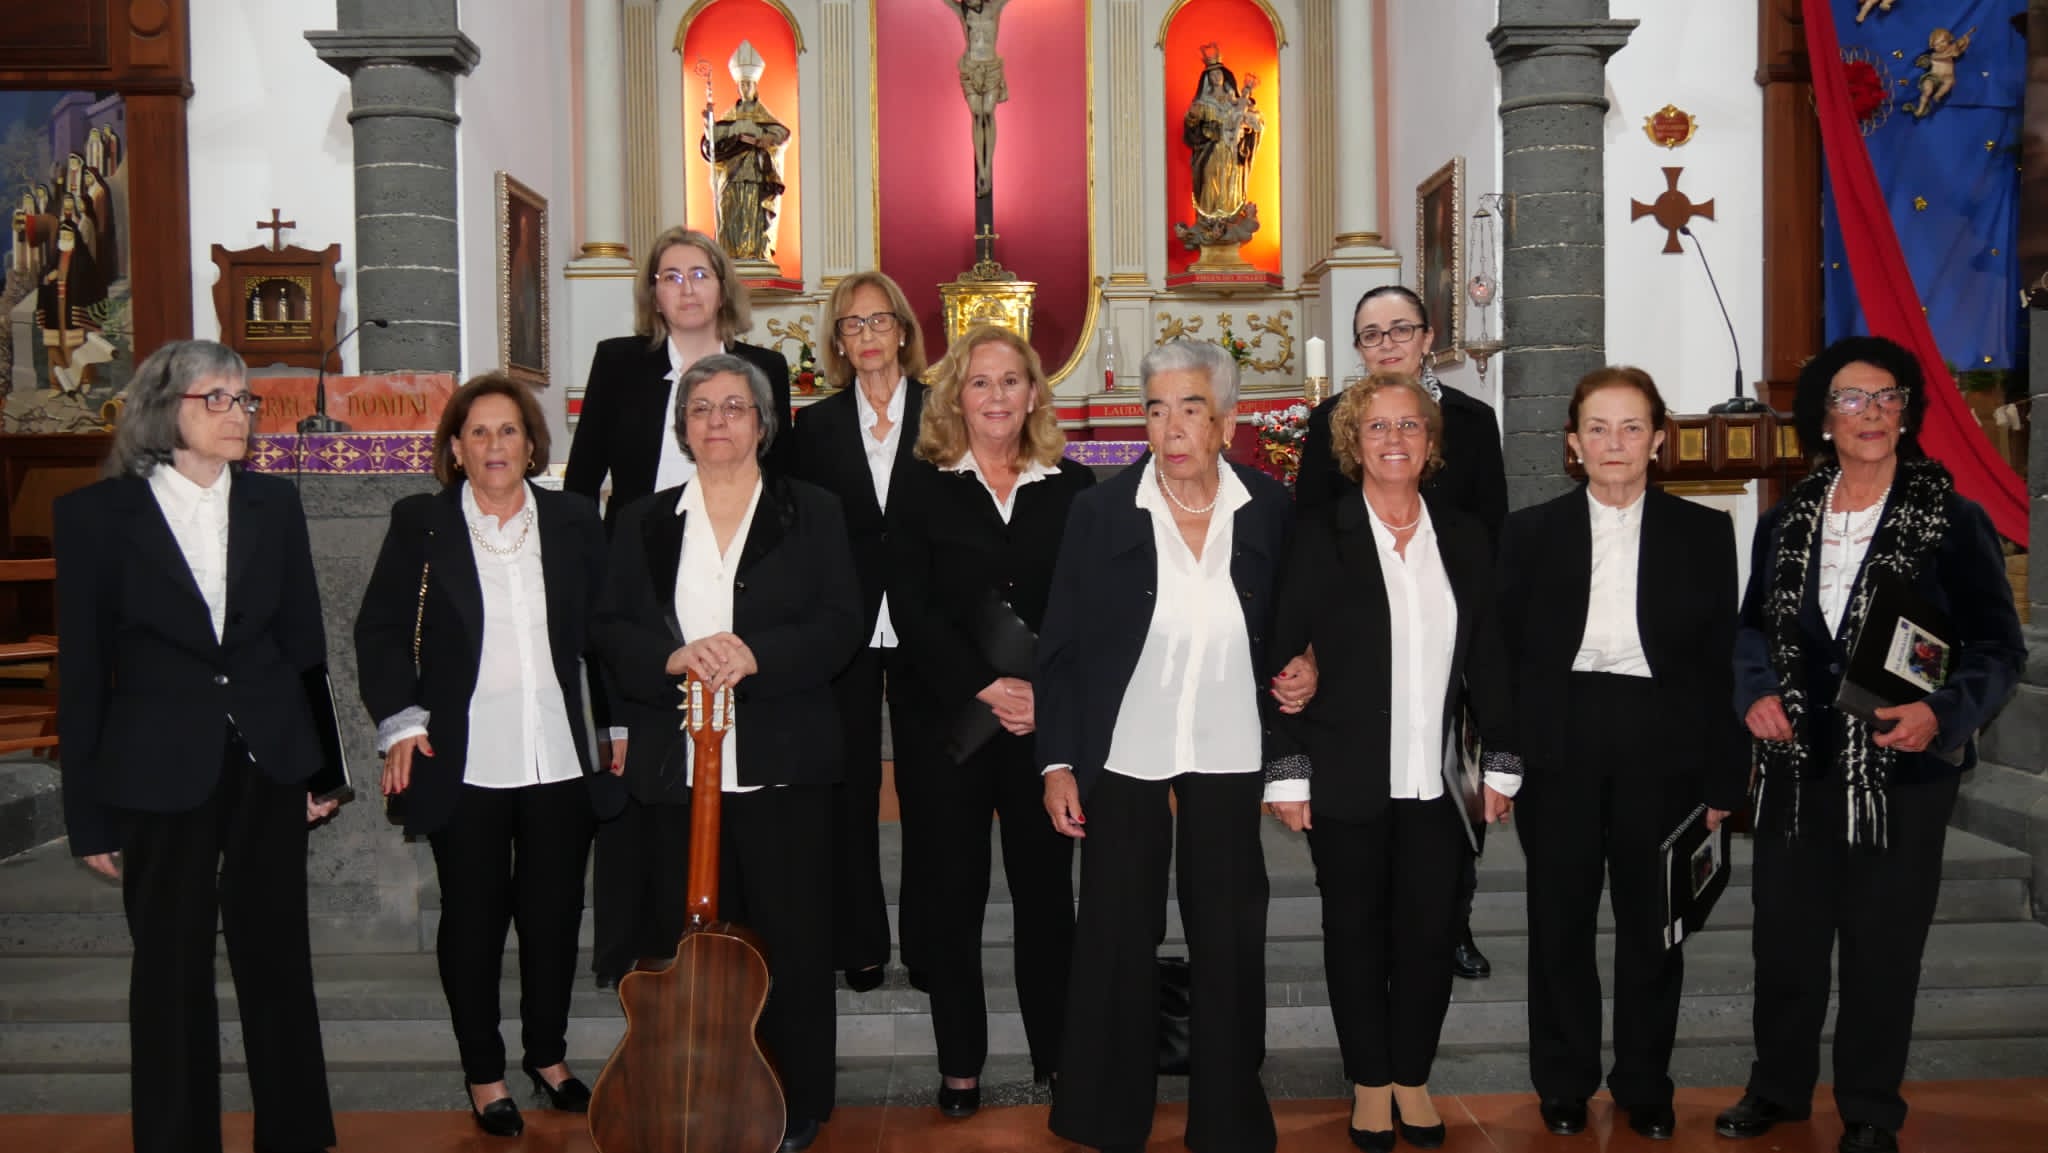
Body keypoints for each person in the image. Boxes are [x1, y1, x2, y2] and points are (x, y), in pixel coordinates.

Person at [1717, 336, 2023, 1153]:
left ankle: (1869, 1109)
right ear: (1824, 419)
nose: (1873, 413)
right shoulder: (1783, 522)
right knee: (1785, 942)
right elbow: (1752, 631)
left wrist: (1945, 714)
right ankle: (1779, 1088)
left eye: (1888, 397)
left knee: (1882, 950)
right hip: (1795, 772)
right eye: (1854, 399)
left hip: (1902, 775)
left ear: (1908, 411)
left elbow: (1998, 647)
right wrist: (1754, 693)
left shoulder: (1951, 519)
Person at [53, 340, 337, 1153]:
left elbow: (303, 644)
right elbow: (81, 676)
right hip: (155, 768)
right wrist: (89, 816)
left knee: (277, 961)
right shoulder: (95, 517)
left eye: (245, 400)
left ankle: (296, 1135)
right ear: (163, 409)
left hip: (269, 758)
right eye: (218, 398)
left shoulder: (273, 505)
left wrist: (323, 769)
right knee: (171, 972)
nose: (239, 414)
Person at [1038, 338, 1312, 1153]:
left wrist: (1307, 666)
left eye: (1190, 407)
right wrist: (1056, 761)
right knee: (1117, 927)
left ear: (1225, 421)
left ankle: (1227, 1115)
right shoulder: (1100, 510)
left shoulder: (1268, 508)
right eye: (1156, 408)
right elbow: (1061, 647)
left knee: (1229, 928)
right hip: (1124, 748)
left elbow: (1292, 626)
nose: (1171, 425)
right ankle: (1103, 1111)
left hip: (1229, 745)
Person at [591, 353, 862, 1153]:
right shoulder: (642, 519)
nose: (718, 421)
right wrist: (673, 659)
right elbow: (610, 627)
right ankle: (689, 1096)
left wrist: (757, 654)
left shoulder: (813, 510)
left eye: (735, 407)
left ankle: (798, 1099)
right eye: (701, 408)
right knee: (683, 946)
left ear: (763, 422)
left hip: (784, 761)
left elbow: (841, 620)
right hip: (676, 772)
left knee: (795, 940)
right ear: (683, 428)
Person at [353, 375, 619, 1137]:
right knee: (472, 920)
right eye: (478, 433)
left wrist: (620, 728)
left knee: (553, 914)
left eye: (508, 432)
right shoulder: (421, 525)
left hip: (559, 753)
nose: (495, 446)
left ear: (532, 445)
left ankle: (548, 1054)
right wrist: (401, 722)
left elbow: (602, 632)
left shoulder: (573, 519)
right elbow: (379, 632)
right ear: (455, 448)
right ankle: (484, 1070)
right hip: (462, 755)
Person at [1265, 372, 1517, 1152]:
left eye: (1410, 426)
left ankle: (1413, 1073)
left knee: (1430, 931)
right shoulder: (1320, 535)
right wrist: (1286, 767)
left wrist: (1503, 761)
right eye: (1378, 427)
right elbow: (1279, 653)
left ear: (1431, 442)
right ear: (1354, 442)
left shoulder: (1465, 537)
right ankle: (1370, 1082)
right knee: (1354, 930)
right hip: (1345, 772)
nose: (1395, 440)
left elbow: (1491, 656)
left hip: (1440, 780)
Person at [1494, 367, 1746, 1141]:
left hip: (1662, 742)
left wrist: (1723, 775)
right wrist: (1502, 762)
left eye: (1631, 427)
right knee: (1559, 923)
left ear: (1658, 441)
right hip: (1560, 740)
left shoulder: (1705, 533)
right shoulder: (1530, 532)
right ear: (1572, 442)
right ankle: (1564, 1079)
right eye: (1597, 428)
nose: (1614, 443)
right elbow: (1501, 656)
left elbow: (1719, 663)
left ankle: (1644, 1080)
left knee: (1653, 925)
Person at [564, 226, 791, 988]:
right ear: (653, 293)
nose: (686, 287)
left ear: (723, 285)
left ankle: (744, 954)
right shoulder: (618, 364)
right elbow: (583, 483)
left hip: (737, 585)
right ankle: (641, 954)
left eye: (699, 273)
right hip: (644, 589)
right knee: (644, 785)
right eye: (669, 275)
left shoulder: (764, 367)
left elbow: (780, 494)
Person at [890, 325, 1095, 1116]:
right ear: (956, 396)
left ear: (1035, 392)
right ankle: (960, 1065)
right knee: (952, 892)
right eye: (981, 383)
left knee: (1048, 897)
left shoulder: (1074, 488)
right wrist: (985, 685)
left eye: (1012, 381)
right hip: (949, 723)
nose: (998, 396)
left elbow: (1083, 612)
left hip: (1045, 732)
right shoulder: (922, 485)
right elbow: (912, 606)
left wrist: (1043, 694)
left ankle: (1059, 1056)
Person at [1296, 284, 1506, 982]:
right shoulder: (1332, 420)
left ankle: (1455, 923)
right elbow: (1310, 532)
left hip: (1449, 630)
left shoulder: (1473, 422)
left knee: (1448, 790)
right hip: (1364, 640)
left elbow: (1493, 532)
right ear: (1358, 348)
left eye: (1399, 330)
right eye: (1371, 334)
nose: (1386, 344)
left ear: (1427, 337)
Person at [786, 271, 928, 995]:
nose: (867, 336)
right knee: (848, 792)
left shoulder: (944, 414)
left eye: (878, 321)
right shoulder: (812, 427)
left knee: (933, 789)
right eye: (852, 325)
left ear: (902, 329)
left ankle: (930, 943)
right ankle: (861, 942)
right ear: (837, 343)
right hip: (841, 628)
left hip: (926, 626)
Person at [701, 40, 790, 261]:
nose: (745, 88)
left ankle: (755, 254)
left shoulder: (764, 117)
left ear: (755, 86)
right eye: (741, 85)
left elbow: (781, 134)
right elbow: (713, 139)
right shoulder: (730, 117)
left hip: (755, 174)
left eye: (748, 84)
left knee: (753, 213)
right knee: (730, 212)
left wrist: (765, 138)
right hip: (731, 175)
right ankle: (729, 255)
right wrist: (708, 122)